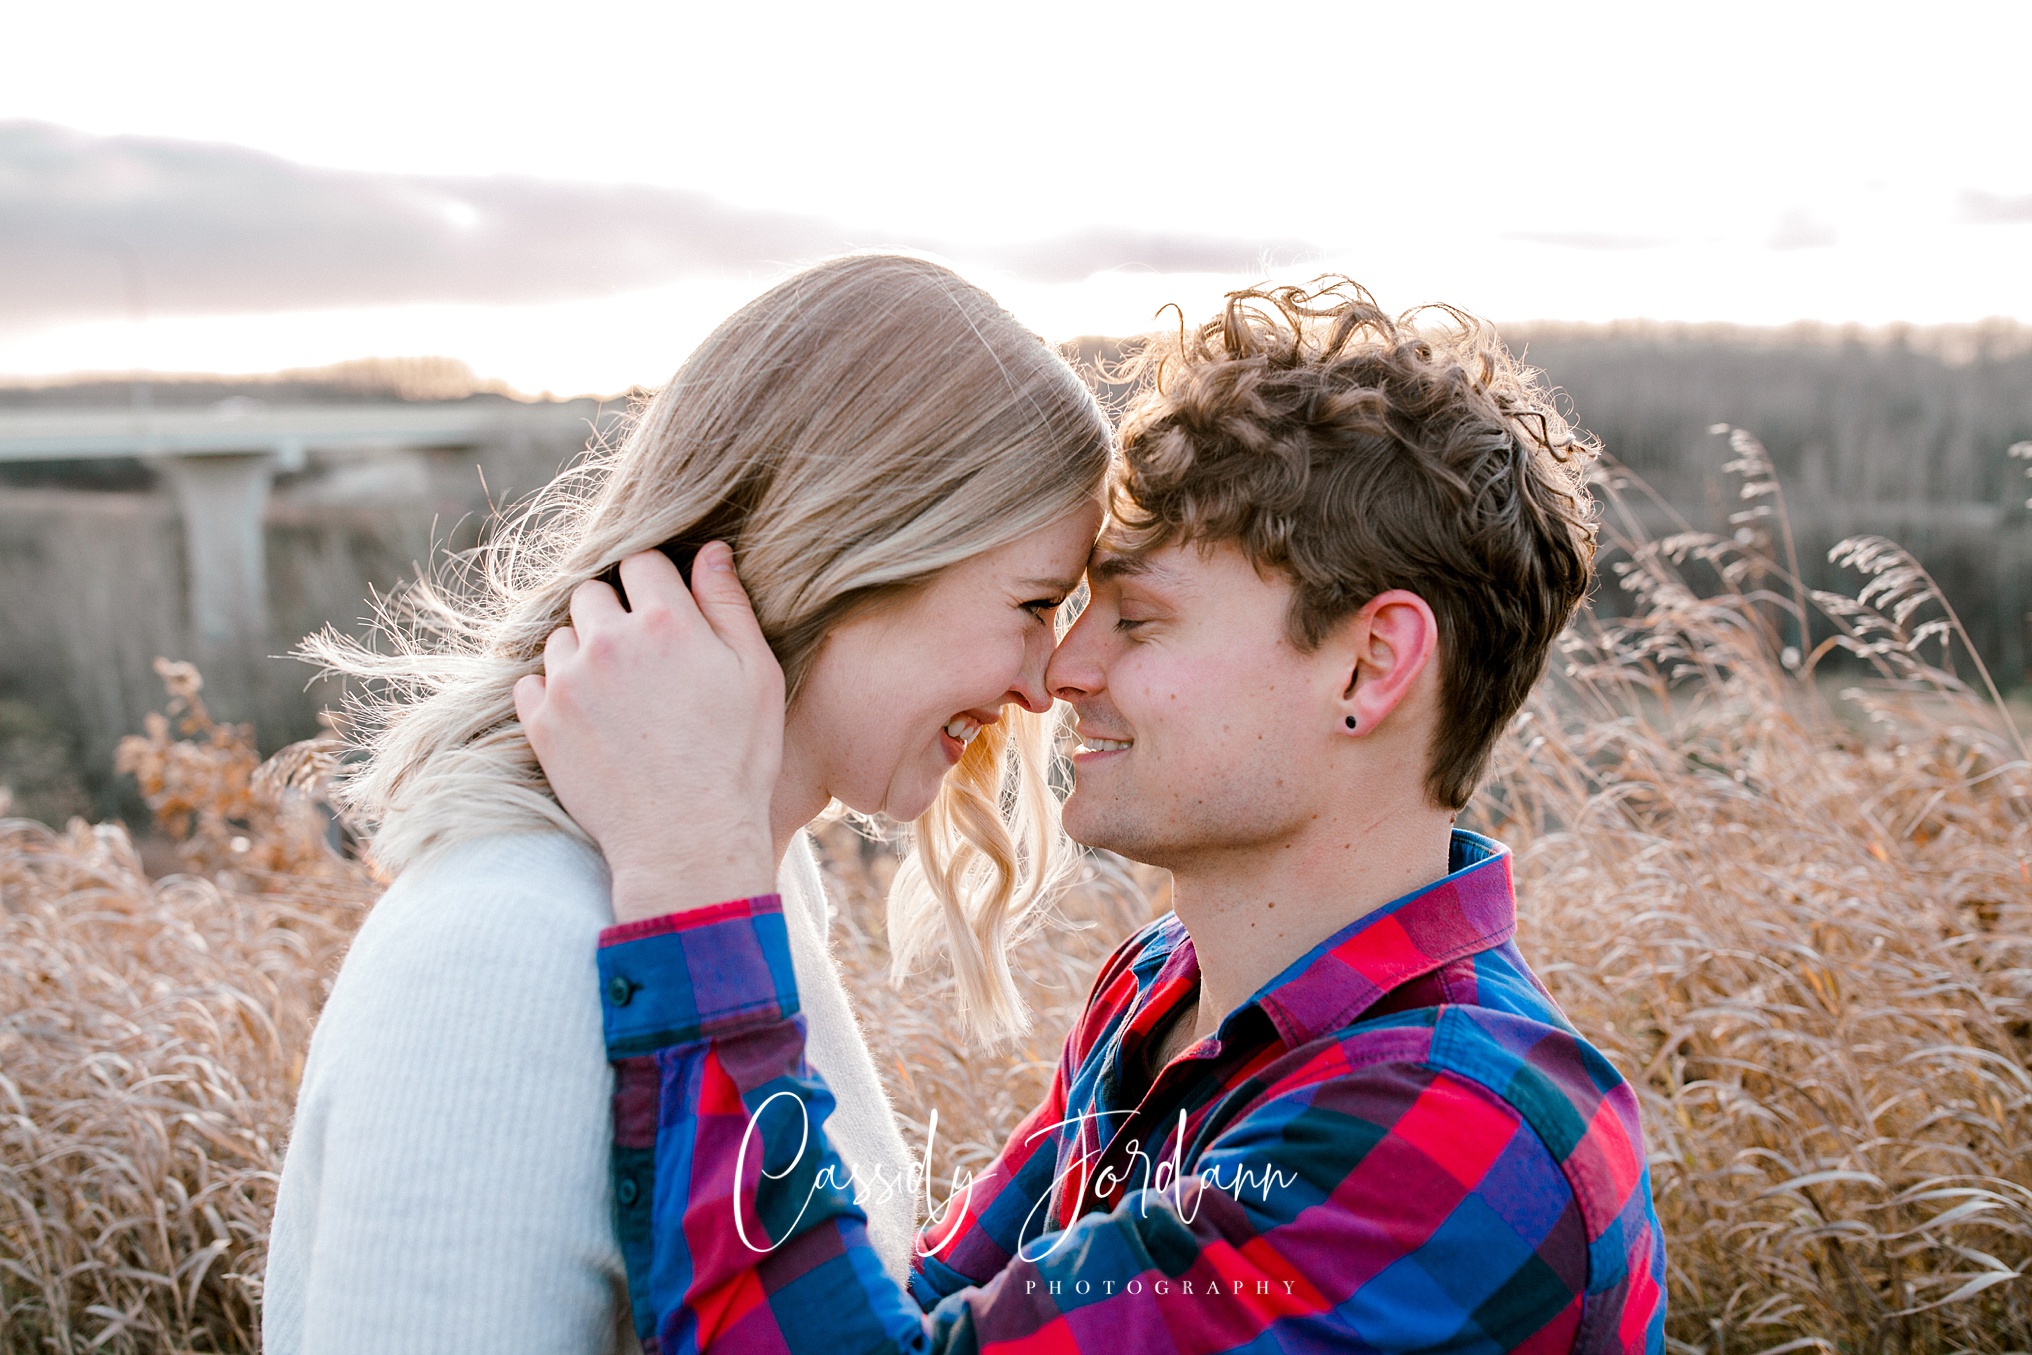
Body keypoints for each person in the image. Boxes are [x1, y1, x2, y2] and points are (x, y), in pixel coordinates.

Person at [522, 280, 1668, 1352]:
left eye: (1142, 619)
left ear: (1369, 665)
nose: (1059, 669)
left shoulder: (1446, 1134)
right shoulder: (1161, 992)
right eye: (1069, 608)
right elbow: (930, 1308)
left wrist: (697, 879)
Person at [263, 254, 1115, 1354]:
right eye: (1033, 602)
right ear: (856, 543)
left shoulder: (735, 868)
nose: (1042, 682)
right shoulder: (504, 941)